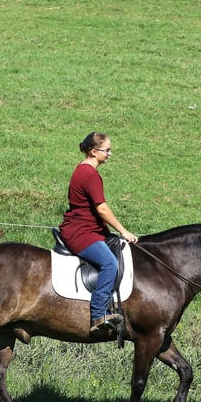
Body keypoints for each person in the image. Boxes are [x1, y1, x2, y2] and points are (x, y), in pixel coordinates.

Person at [58, 132, 138, 338]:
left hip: (89, 228)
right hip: (81, 232)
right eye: (107, 150)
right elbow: (102, 208)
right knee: (110, 264)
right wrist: (123, 230)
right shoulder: (89, 174)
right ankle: (98, 315)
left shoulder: (84, 170)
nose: (110, 154)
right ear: (94, 151)